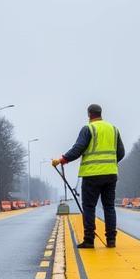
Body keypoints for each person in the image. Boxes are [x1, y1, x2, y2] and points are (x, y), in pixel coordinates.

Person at [52, 103, 125, 248]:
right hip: (110, 174)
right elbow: (121, 153)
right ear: (100, 113)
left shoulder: (89, 129)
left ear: (89, 114)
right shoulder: (113, 129)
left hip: (92, 175)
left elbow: (78, 148)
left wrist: (62, 160)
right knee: (109, 207)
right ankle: (111, 240)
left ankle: (89, 239)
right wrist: (109, 163)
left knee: (89, 207)